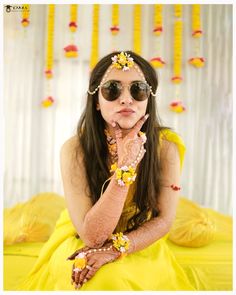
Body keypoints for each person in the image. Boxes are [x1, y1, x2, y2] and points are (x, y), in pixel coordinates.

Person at [19, 51, 195, 290]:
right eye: (112, 89)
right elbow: (92, 237)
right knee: (92, 278)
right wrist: (125, 168)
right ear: (96, 102)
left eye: (138, 89)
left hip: (139, 240)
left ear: (147, 100)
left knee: (113, 279)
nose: (126, 99)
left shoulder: (166, 149)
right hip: (82, 235)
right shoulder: (75, 150)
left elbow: (164, 220)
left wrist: (113, 250)